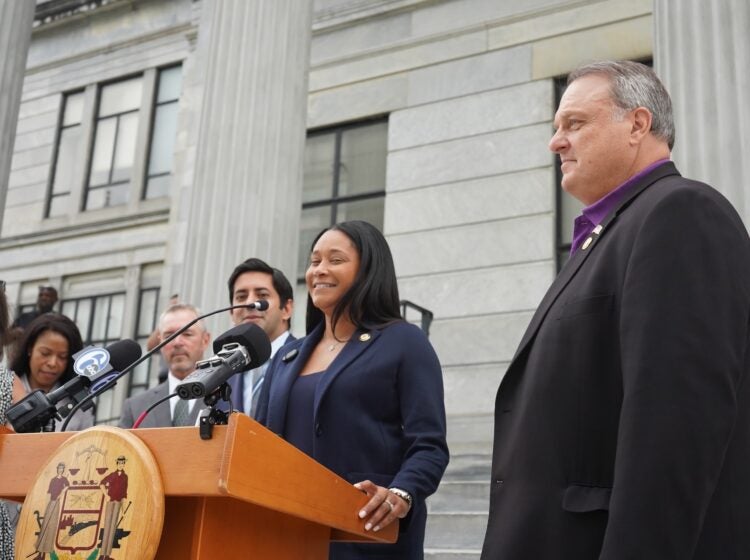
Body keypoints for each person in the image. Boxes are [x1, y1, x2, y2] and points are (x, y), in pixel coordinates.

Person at [480, 60, 750, 559]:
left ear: (638, 124)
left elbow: (675, 430)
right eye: (556, 127)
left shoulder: (681, 213)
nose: (556, 142)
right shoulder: (606, 236)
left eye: (574, 124)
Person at [256, 220, 449, 559]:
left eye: (335, 259)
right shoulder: (287, 357)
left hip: (364, 537)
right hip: (287, 538)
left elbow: (429, 445)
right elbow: (258, 444)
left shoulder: (404, 342)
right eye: (315, 261)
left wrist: (401, 494)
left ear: (368, 270)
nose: (320, 270)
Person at [118, 304, 211, 428]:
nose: (177, 342)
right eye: (169, 336)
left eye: (187, 334)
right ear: (160, 342)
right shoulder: (136, 408)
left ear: (205, 340)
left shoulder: (227, 397)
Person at [224, 258, 294, 418]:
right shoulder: (222, 375)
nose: (250, 302)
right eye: (241, 297)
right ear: (231, 313)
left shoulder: (310, 360)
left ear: (287, 309)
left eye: (262, 295)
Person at [10, 313, 93, 432]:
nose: (53, 363)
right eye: (45, 353)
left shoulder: (77, 405)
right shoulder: (6, 389)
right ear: (30, 349)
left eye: (62, 357)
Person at [99, 455, 128, 560]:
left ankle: (107, 555)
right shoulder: (112, 475)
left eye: (123, 463)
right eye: (119, 463)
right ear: (117, 464)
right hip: (110, 502)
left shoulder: (125, 477)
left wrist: (123, 510)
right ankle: (102, 554)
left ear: (124, 464)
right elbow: (101, 484)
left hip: (118, 503)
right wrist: (106, 495)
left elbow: (124, 493)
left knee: (112, 529)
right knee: (107, 527)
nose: (121, 465)